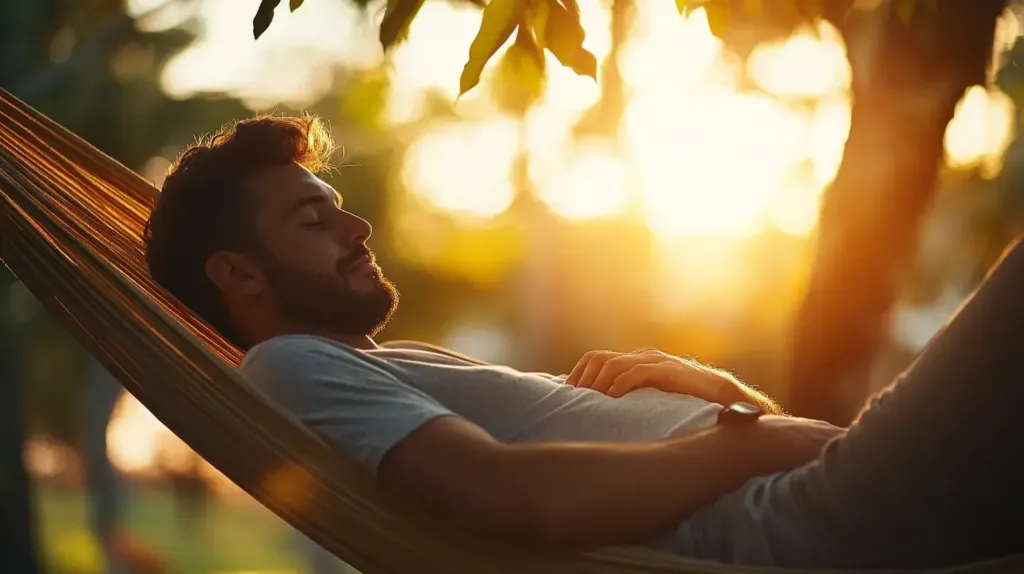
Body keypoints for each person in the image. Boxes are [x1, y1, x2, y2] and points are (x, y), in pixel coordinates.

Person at [142, 114, 1024, 569]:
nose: (360, 226)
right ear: (240, 275)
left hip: (815, 495)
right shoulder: (287, 366)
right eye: (314, 218)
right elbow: (520, 497)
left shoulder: (376, 368)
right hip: (805, 526)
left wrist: (709, 394)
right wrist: (748, 444)